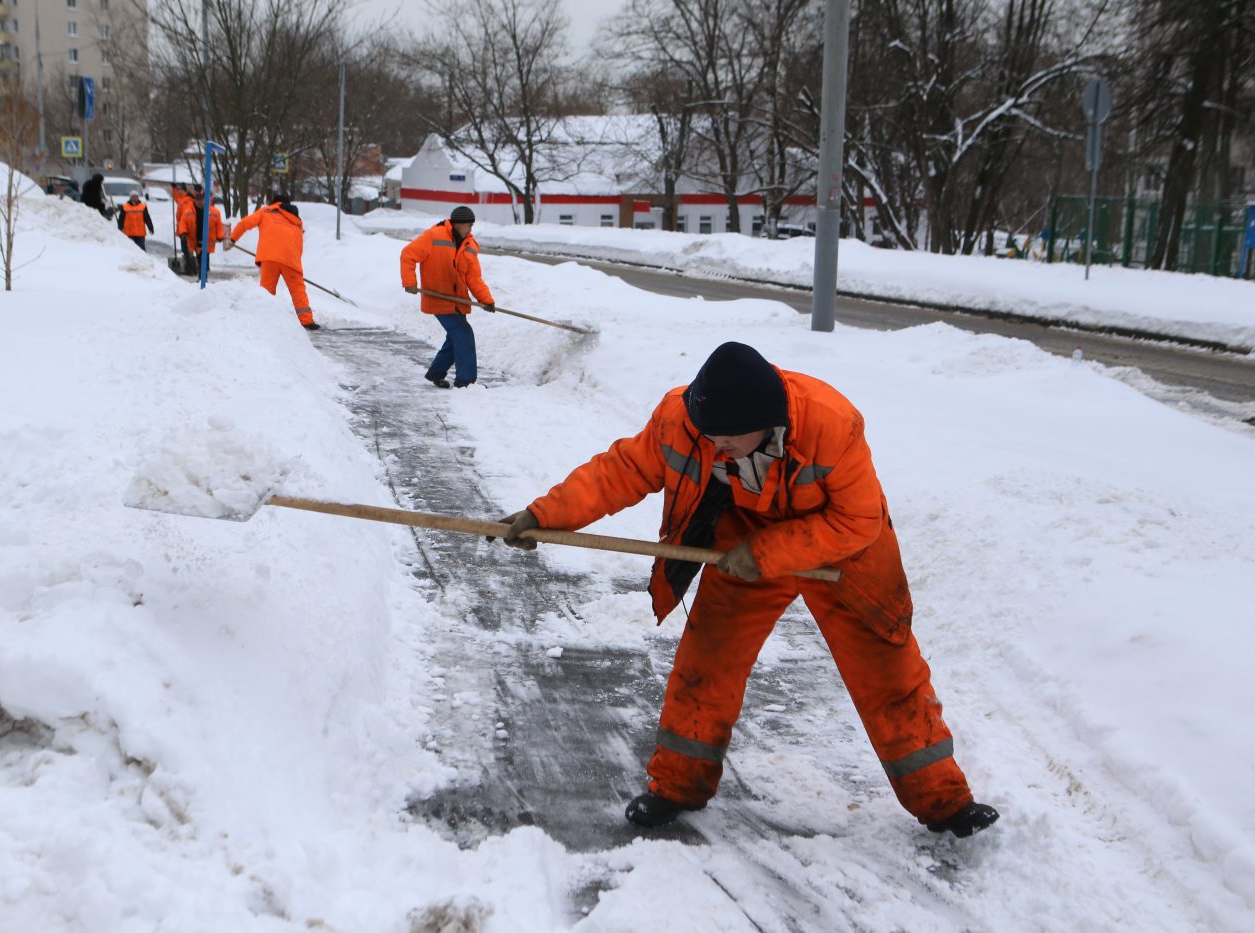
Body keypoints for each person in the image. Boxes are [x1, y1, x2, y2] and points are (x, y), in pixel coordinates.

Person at [494, 341, 1000, 838]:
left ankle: (946, 803)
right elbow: (620, 471)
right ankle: (676, 786)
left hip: (844, 550)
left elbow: (858, 519)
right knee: (707, 661)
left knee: (888, 673)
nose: (715, 447)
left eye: (729, 439)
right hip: (744, 536)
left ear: (767, 421)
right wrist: (544, 515)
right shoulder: (684, 418)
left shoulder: (831, 422)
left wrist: (767, 555)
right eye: (709, 436)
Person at [399, 205, 495, 388]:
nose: (470, 229)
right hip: (438, 297)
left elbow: (473, 277)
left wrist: (486, 299)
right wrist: (409, 282)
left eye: (471, 226)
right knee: (464, 334)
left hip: (458, 301)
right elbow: (408, 255)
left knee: (455, 338)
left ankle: (436, 373)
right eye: (468, 225)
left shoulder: (470, 245)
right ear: (457, 224)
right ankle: (466, 382)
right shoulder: (434, 236)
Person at [225, 193, 318, 331]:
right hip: (291, 259)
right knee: (298, 291)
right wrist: (294, 262)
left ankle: (264, 317)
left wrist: (232, 239)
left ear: (274, 202)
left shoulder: (265, 211)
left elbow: (245, 223)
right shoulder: (296, 220)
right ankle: (307, 321)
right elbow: (299, 244)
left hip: (269, 258)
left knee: (266, 291)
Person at [173, 184, 197, 276]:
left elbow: (186, 214)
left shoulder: (187, 200)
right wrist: (174, 189)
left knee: (187, 249)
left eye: (180, 189)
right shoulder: (181, 199)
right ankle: (192, 268)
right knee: (186, 249)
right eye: (178, 190)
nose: (179, 191)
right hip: (182, 226)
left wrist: (184, 228)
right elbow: (176, 199)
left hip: (186, 227)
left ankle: (190, 269)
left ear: (184, 190)